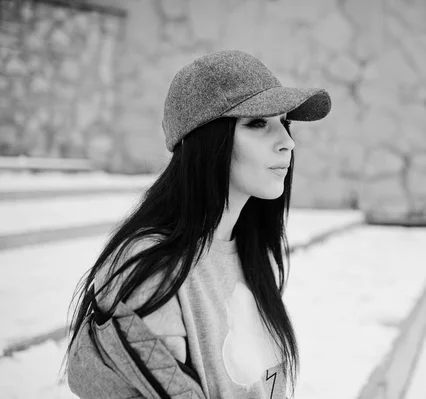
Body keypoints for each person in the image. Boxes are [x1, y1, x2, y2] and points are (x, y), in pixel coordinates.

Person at [64, 50, 331, 399]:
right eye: (257, 123)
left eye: (285, 122)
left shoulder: (251, 253)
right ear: (208, 141)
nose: (287, 143)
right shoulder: (153, 270)